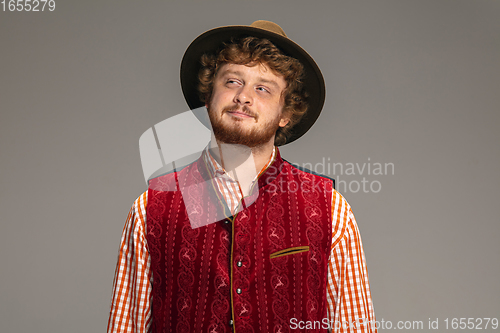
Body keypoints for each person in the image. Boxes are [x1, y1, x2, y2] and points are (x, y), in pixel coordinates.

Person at [107, 20, 376, 333]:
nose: (243, 97)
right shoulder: (149, 210)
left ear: (285, 114)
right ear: (208, 99)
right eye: (232, 82)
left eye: (262, 88)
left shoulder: (331, 210)